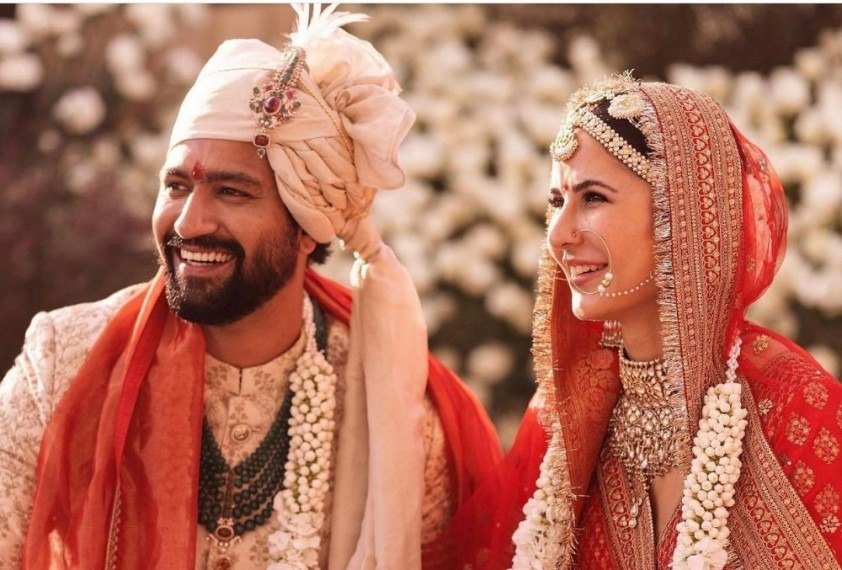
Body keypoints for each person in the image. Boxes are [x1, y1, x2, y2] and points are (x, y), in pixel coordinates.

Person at [0, 5, 501, 569]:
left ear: (308, 227)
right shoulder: (64, 361)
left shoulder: (391, 403)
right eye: (176, 185)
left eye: (232, 192)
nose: (190, 222)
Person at [461, 73, 841, 569]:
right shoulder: (570, 416)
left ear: (681, 215)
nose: (558, 234)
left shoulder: (791, 406)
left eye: (592, 198)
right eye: (556, 201)